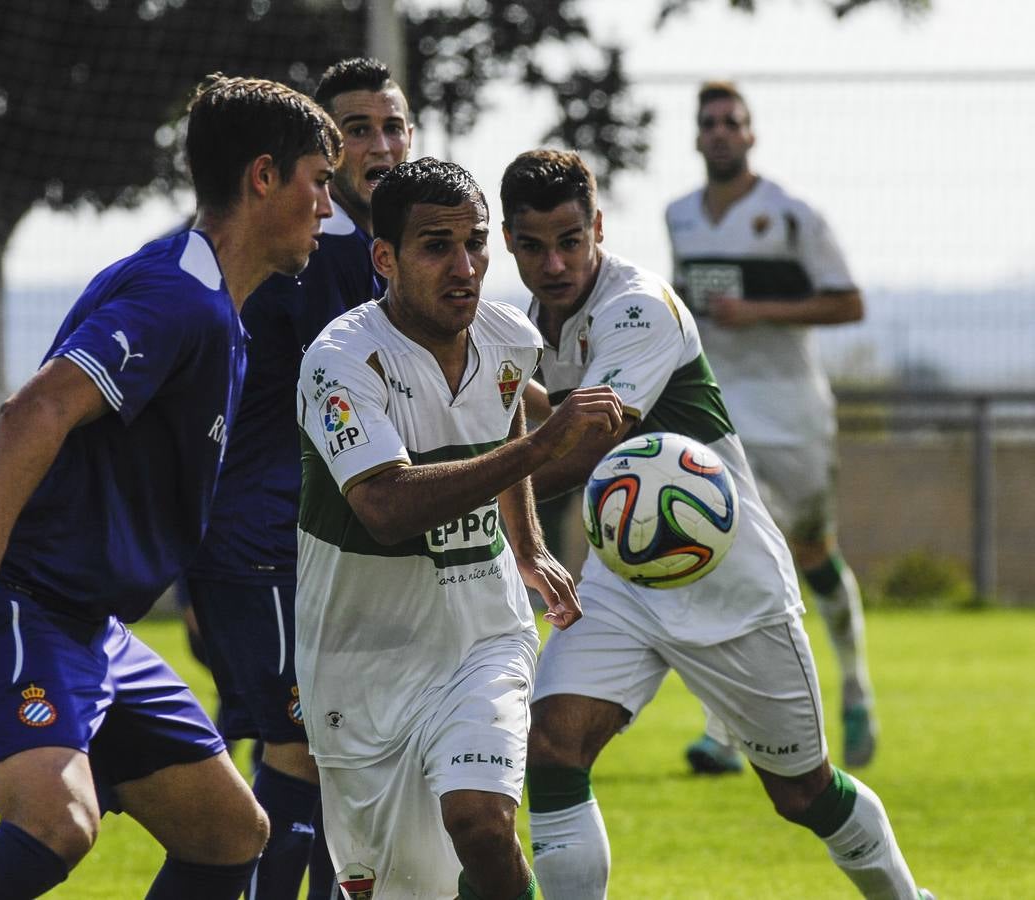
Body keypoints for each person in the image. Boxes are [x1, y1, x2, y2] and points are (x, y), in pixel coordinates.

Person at [0, 74, 341, 900]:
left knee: (228, 834)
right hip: (17, 595)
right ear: (264, 177)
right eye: (319, 181)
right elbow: (32, 410)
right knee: (57, 823)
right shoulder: (177, 298)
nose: (328, 208)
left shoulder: (214, 307)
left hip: (90, 624)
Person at [501, 149, 933, 900]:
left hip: (730, 583)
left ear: (598, 226)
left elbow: (595, 439)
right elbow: (550, 412)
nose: (555, 262)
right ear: (509, 240)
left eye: (571, 239)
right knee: (553, 747)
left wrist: (466, 500)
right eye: (534, 245)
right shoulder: (537, 321)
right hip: (624, 581)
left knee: (802, 795)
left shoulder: (638, 306)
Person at [295, 158, 624, 900]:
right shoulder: (342, 362)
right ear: (386, 258)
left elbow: (499, 422)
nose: (465, 265)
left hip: (482, 635)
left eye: (475, 243)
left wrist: (531, 549)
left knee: (481, 821)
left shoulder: (507, 340)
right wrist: (543, 447)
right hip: (357, 660)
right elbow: (384, 508)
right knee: (405, 887)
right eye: (436, 245)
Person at [184, 57, 413, 900]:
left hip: (305, 542)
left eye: (393, 127)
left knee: (320, 754)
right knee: (304, 750)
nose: (379, 146)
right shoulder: (312, 254)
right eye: (356, 131)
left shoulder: (379, 250)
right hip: (265, 539)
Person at [666, 80, 876, 774]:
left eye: (733, 121)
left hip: (793, 413)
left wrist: (758, 313)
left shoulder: (791, 216)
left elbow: (849, 303)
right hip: (722, 413)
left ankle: (854, 682)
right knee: (725, 557)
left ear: (751, 135)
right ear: (697, 137)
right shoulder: (680, 217)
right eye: (710, 122)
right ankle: (723, 729)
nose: (721, 132)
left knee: (812, 552)